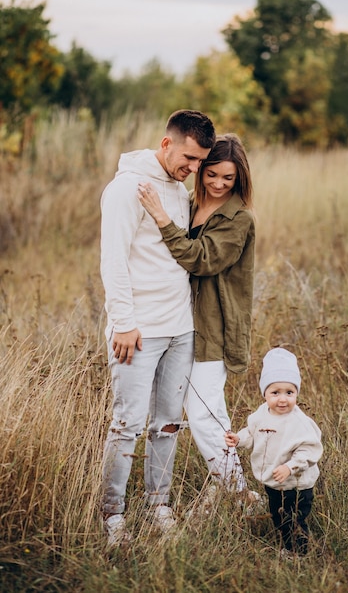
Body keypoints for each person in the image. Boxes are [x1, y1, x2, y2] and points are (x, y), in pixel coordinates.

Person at [100, 109, 216, 549]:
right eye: (188, 157)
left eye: (200, 161)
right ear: (167, 143)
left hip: (180, 329)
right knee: (126, 424)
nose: (193, 168)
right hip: (138, 331)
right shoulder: (127, 188)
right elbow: (113, 260)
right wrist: (124, 323)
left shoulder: (178, 188)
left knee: (168, 424)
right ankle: (113, 515)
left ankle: (159, 504)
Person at [138, 133, 256, 503]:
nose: (219, 184)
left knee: (203, 413)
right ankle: (236, 490)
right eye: (212, 175)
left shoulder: (238, 218)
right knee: (209, 410)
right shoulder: (189, 203)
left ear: (239, 180)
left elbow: (201, 259)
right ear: (200, 169)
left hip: (215, 327)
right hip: (178, 323)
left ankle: (237, 494)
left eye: (229, 179)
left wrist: (160, 216)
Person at [224, 348, 323, 558]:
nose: (282, 399)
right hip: (272, 481)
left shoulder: (299, 422)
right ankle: (287, 542)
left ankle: (297, 552)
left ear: (296, 393)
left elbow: (310, 450)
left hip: (297, 484)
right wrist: (239, 439)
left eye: (289, 392)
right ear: (265, 394)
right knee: (278, 516)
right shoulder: (261, 414)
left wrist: (290, 467)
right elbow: (252, 433)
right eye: (275, 392)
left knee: (293, 518)